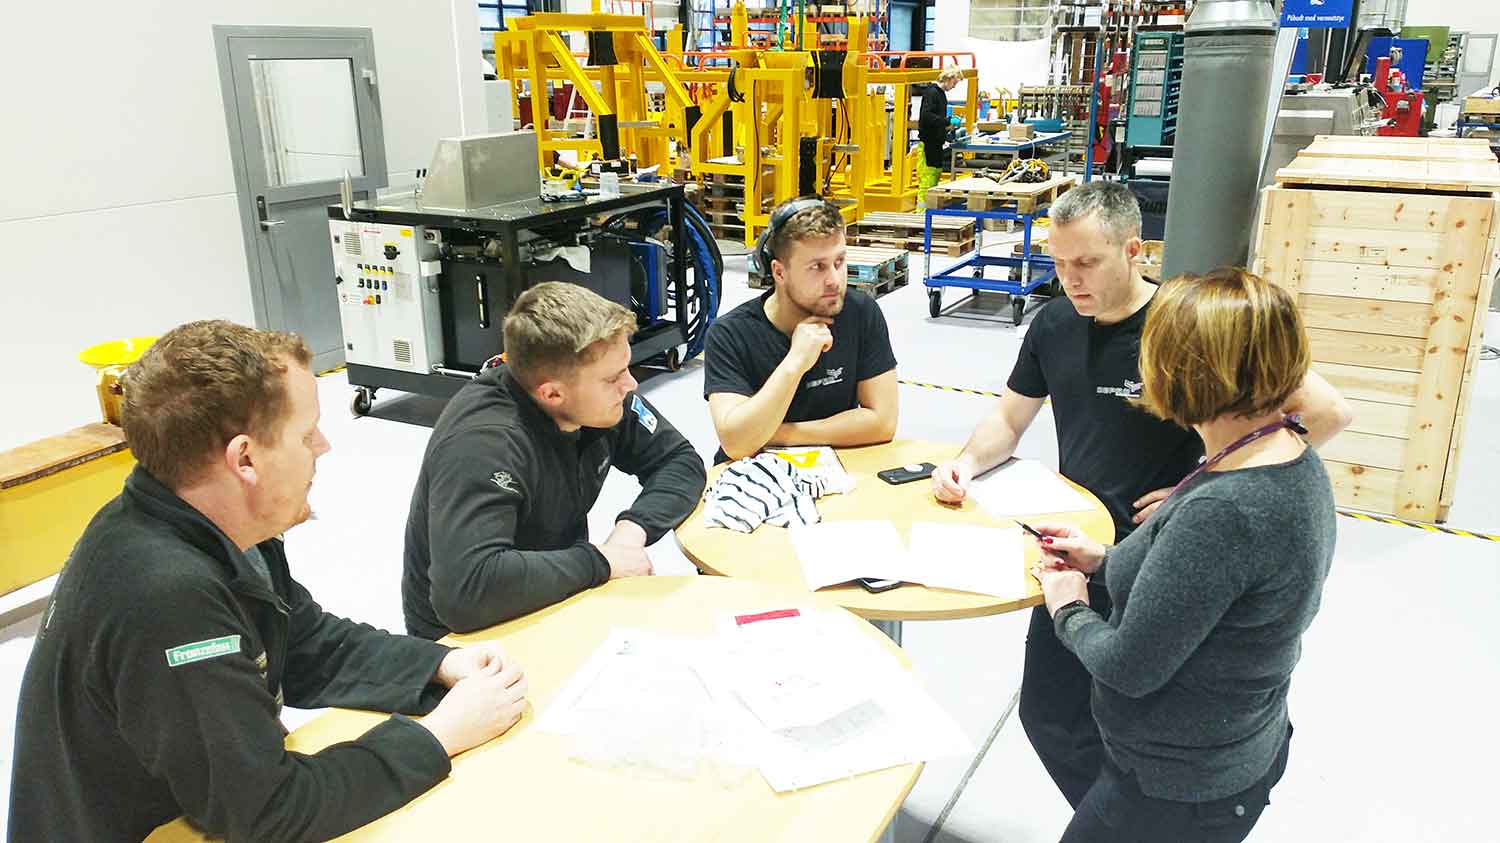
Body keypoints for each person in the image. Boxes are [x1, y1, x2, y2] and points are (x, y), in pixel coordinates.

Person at [8, 321, 529, 842]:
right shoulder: (166, 594)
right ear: (245, 460)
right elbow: (266, 814)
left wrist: (438, 664)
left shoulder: (209, 521)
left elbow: (304, 644)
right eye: (305, 434)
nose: (323, 446)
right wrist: (440, 736)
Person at [929, 181, 1352, 808]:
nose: (1070, 279)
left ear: (1135, 251)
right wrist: (965, 460)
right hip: (1083, 549)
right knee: (1049, 711)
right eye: (1058, 262)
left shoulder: (1190, 329)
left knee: (1134, 696)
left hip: (1168, 551)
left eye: (1086, 262)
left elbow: (1327, 413)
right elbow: (1010, 418)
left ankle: (1129, 810)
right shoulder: (1054, 324)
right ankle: (1117, 807)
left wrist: (1196, 489)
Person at [1029, 268, 1336, 842]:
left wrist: (1069, 607)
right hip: (1234, 752)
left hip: (1174, 790)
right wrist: (1102, 560)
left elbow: (1128, 667)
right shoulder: (1277, 449)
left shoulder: (1224, 512)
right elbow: (1204, 589)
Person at [403, 281, 706, 639]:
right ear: (552, 393)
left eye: (627, 368)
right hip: (469, 639)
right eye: (613, 378)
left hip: (558, 594)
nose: (631, 386)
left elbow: (679, 461)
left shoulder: (598, 402)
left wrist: (630, 534)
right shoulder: (483, 443)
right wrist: (600, 562)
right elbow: (466, 591)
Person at [703, 197, 899, 461]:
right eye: (817, 267)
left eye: (839, 262)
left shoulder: (860, 312)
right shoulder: (730, 334)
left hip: (837, 469)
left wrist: (773, 434)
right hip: (754, 476)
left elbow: (882, 422)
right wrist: (795, 362)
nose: (834, 280)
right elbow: (737, 446)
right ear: (779, 272)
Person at [917, 67, 965, 207]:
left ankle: (929, 212)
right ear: (948, 78)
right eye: (954, 83)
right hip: (928, 145)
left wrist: (947, 128)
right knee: (927, 182)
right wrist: (947, 121)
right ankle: (921, 215)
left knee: (934, 180)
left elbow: (936, 119)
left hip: (936, 144)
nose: (954, 86)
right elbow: (927, 117)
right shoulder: (931, 92)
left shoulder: (941, 95)